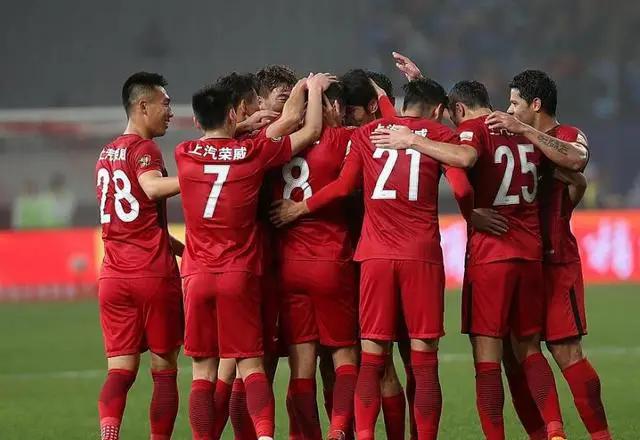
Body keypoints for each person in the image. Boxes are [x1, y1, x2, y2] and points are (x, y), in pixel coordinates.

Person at [272, 77, 474, 440]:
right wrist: (474, 216)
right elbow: (461, 187)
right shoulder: (439, 135)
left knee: (371, 359)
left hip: (373, 257)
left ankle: (362, 434)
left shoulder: (367, 134)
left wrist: (300, 208)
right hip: (421, 257)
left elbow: (343, 186)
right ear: (438, 110)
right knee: (423, 362)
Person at [371, 80, 567, 440]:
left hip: (491, 254)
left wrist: (412, 140)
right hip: (530, 254)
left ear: (458, 110)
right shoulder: (519, 129)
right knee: (529, 349)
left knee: (487, 360)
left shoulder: (473, 131)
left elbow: (463, 159)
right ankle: (555, 429)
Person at [175, 73, 332, 440]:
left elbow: (214, 141)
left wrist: (239, 126)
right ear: (233, 113)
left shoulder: (184, 152)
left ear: (196, 120)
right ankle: (264, 435)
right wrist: (307, 88)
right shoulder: (252, 153)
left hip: (196, 276)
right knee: (251, 366)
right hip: (239, 273)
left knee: (203, 373)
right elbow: (304, 128)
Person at [485, 70, 611, 440]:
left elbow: (577, 160)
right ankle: (548, 434)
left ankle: (601, 436)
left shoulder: (567, 134)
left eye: (515, 103)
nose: (510, 110)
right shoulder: (511, 137)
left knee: (566, 351)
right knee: (515, 356)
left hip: (556, 262)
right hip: (518, 262)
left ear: (536, 105)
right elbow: (472, 124)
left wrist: (525, 131)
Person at [95, 72, 183, 440]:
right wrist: (200, 175)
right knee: (164, 371)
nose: (170, 112)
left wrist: (183, 249)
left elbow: (136, 223)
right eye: (165, 104)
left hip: (113, 278)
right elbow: (150, 188)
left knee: (119, 372)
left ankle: (109, 434)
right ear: (143, 106)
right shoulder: (144, 149)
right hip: (151, 275)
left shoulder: (106, 154)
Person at [271, 81, 359, 440]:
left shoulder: (277, 143)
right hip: (330, 260)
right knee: (344, 357)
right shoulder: (344, 139)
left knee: (301, 367)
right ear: (334, 108)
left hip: (289, 264)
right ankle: (338, 430)